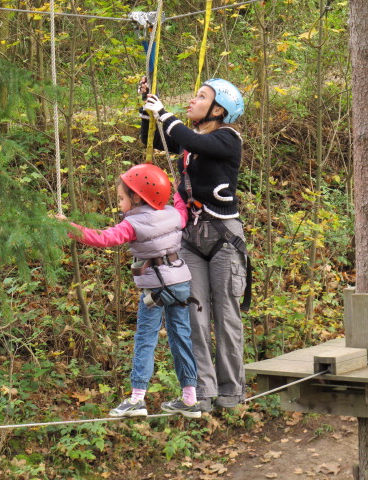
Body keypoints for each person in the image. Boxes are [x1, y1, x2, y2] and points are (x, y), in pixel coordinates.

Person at [139, 77, 250, 411]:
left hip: (223, 238)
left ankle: (231, 392)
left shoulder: (227, 139)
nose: (192, 101)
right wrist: (147, 108)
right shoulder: (190, 142)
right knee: (194, 317)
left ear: (218, 110)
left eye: (200, 97)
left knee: (227, 316)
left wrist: (165, 114)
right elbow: (156, 140)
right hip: (192, 238)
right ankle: (201, 393)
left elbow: (190, 139)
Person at [59, 163, 201, 419]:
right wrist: (180, 190)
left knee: (145, 339)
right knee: (181, 337)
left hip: (154, 289)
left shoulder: (133, 224)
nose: (120, 204)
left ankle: (137, 399)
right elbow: (181, 206)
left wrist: (67, 227)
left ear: (137, 198)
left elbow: (102, 238)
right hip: (180, 284)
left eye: (121, 198)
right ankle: (190, 397)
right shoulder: (172, 215)